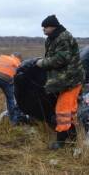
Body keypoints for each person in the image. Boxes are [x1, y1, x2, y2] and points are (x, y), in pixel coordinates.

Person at [36, 15, 85, 150]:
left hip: (71, 80)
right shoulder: (52, 39)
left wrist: (42, 63)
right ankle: (73, 136)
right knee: (71, 110)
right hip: (64, 80)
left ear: (53, 27)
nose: (43, 30)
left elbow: (61, 58)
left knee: (62, 110)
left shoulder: (64, 37)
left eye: (45, 27)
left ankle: (61, 141)